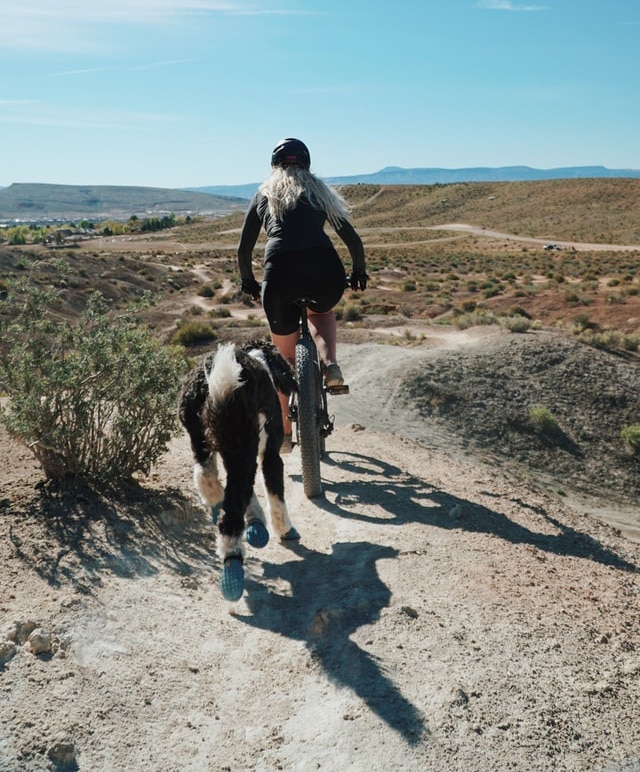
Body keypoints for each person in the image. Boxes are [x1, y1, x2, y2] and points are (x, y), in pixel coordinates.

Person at [237, 137, 367, 446]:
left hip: (279, 276)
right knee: (321, 312)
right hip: (325, 272)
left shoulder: (264, 193)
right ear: (306, 162)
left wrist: (249, 283)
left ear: (275, 164)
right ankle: (331, 366)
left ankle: (282, 434)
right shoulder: (320, 191)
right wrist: (358, 272)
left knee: (283, 358)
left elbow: (244, 250)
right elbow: (353, 240)